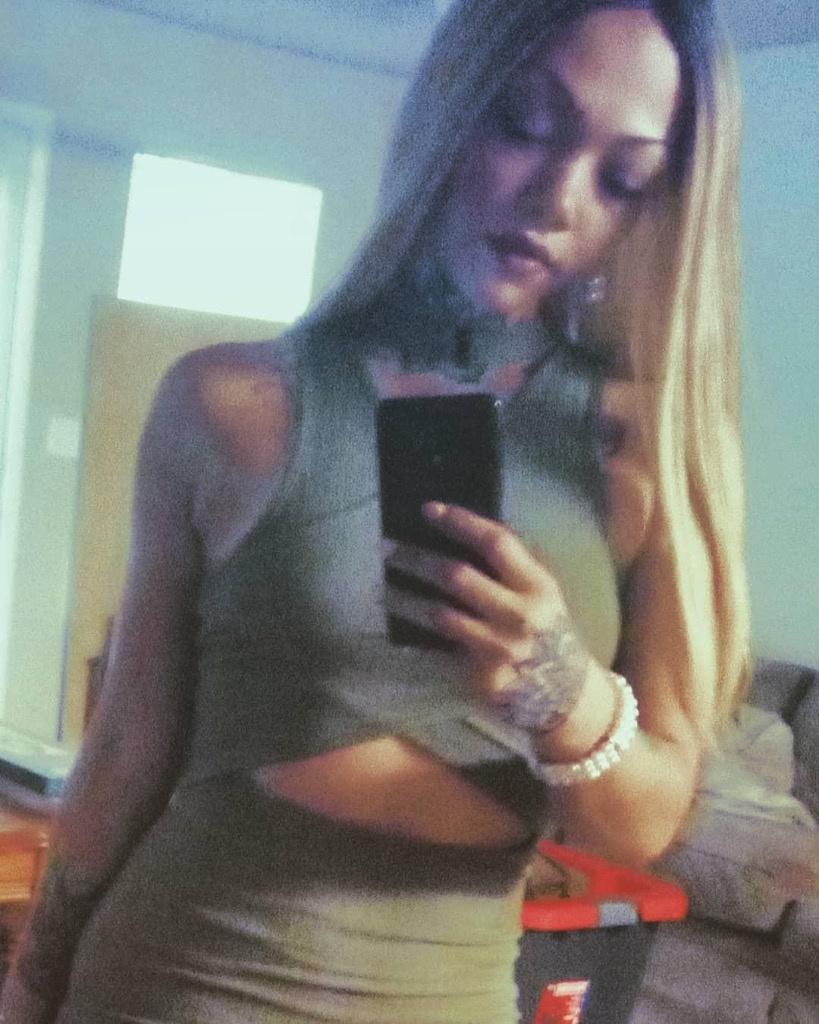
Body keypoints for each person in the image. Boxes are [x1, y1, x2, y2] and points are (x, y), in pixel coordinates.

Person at [0, 0, 751, 1021]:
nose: (556, 199)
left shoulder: (649, 449)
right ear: (451, 106)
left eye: (621, 177)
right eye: (524, 123)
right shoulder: (226, 405)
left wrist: (566, 695)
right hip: (169, 980)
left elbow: (642, 827)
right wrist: (32, 983)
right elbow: (128, 748)